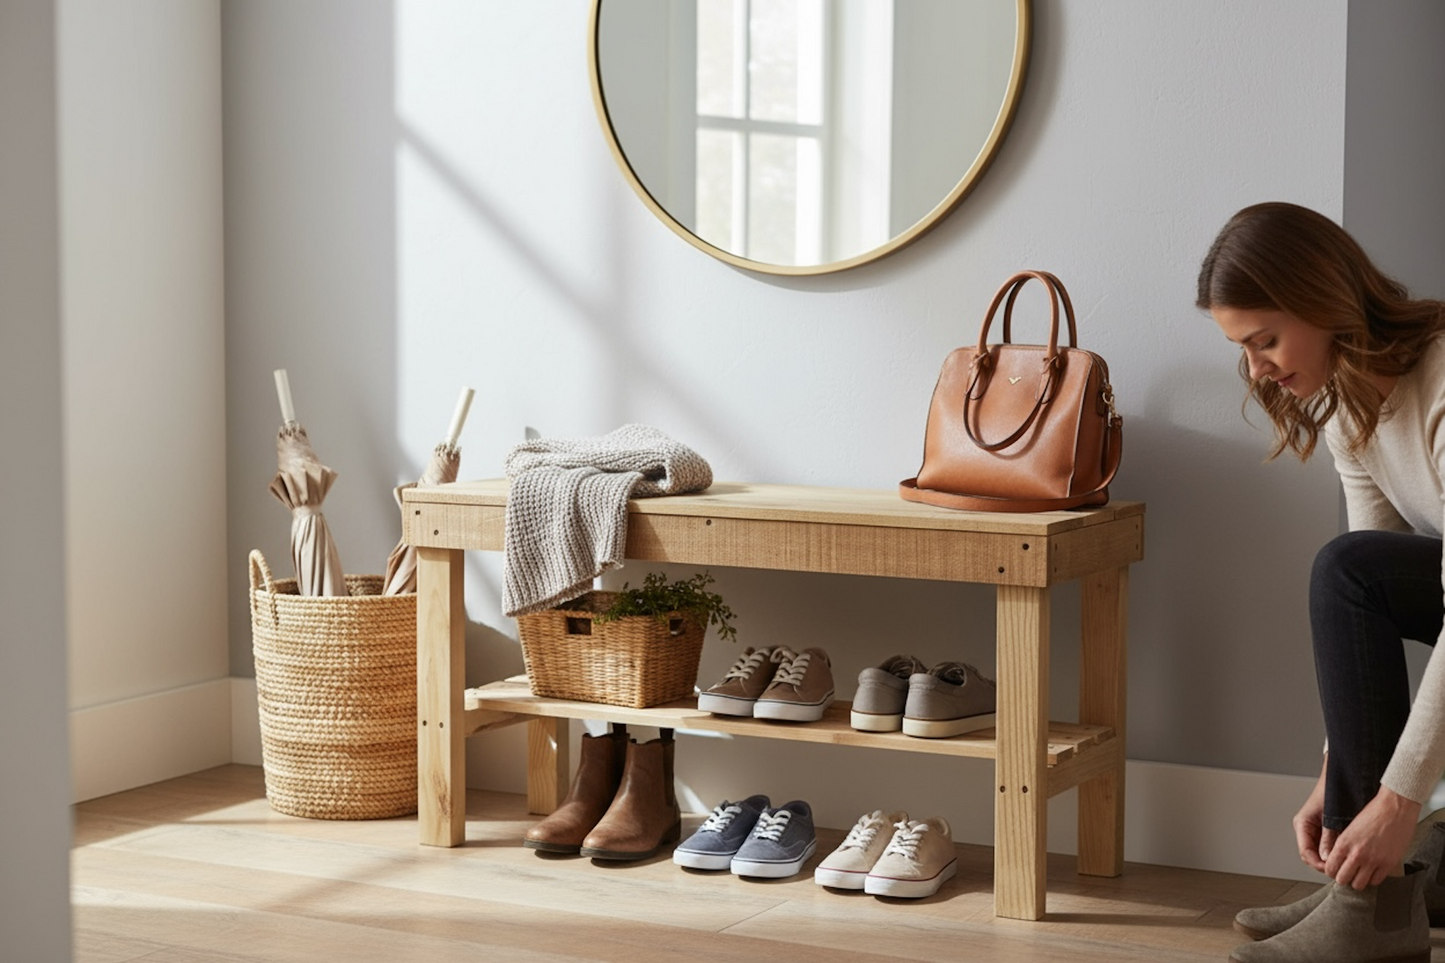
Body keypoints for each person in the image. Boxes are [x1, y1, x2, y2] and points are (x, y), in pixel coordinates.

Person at [1197, 201, 1445, 963]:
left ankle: (1367, 908)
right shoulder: (1347, 405)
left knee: (1341, 566)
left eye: (1265, 339)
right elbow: (1363, 588)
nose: (1257, 368)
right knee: (1349, 566)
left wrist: (1397, 802)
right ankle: (1365, 900)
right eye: (1241, 349)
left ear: (1323, 301)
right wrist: (1338, 782)